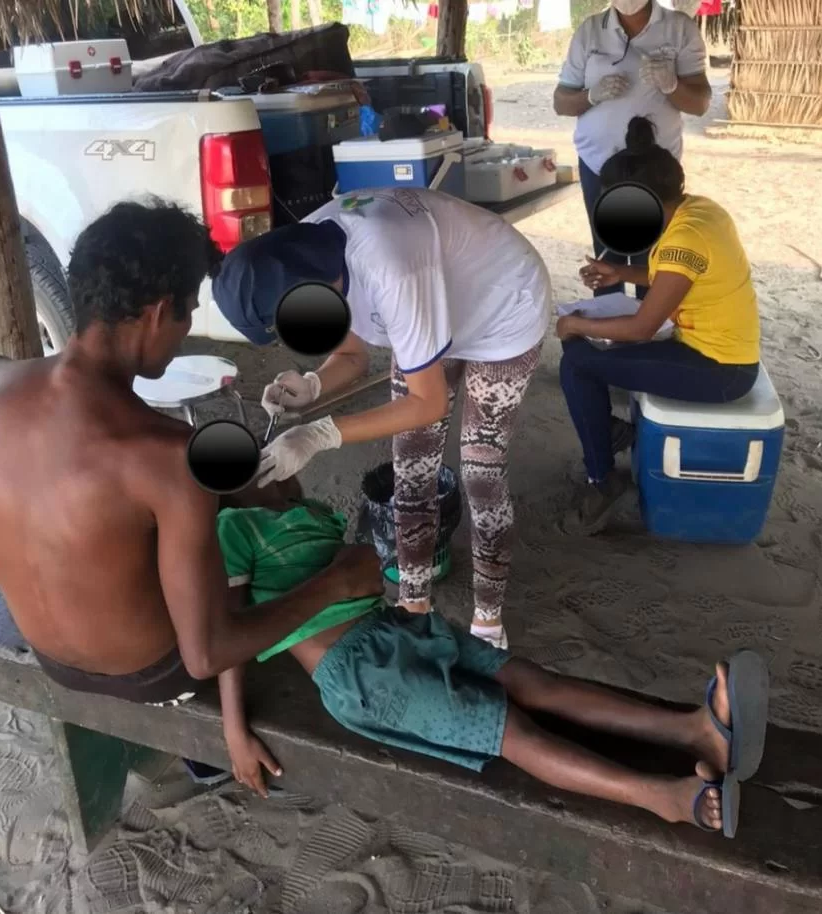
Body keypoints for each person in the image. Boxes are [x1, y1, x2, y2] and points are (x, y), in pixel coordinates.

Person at [0, 198, 384, 730]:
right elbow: (207, 655)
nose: (184, 331)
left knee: (224, 504)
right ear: (161, 312)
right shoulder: (168, 455)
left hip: (50, 657)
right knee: (262, 542)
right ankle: (213, 751)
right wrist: (336, 583)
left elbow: (84, 483)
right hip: (150, 674)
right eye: (186, 310)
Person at [215, 494, 770, 840]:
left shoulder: (303, 506)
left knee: (534, 682)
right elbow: (228, 637)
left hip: (398, 629)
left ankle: (696, 732)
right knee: (509, 729)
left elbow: (361, 570)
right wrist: (234, 731)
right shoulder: (231, 529)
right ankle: (662, 799)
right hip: (360, 673)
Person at [212, 187, 554, 650]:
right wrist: (313, 384)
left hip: (500, 306)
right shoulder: (308, 249)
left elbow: (426, 402)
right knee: (411, 468)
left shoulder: (391, 266)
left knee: (481, 469)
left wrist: (321, 433)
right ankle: (414, 608)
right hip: (435, 304)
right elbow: (352, 352)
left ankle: (488, 622)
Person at [556, 116, 761, 534]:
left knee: (577, 359)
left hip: (720, 369)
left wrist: (577, 324)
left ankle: (602, 479)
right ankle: (608, 432)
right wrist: (620, 274)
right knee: (582, 352)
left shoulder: (682, 241)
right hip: (716, 351)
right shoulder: (699, 210)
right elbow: (678, 278)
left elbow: (641, 328)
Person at [553, 0, 711, 299]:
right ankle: (611, 332)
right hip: (598, 164)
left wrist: (672, 85)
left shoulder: (679, 28)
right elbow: (561, 102)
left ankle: (648, 331)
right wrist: (592, 95)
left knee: (653, 256)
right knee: (607, 255)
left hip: (656, 171)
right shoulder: (590, 32)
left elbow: (700, 104)